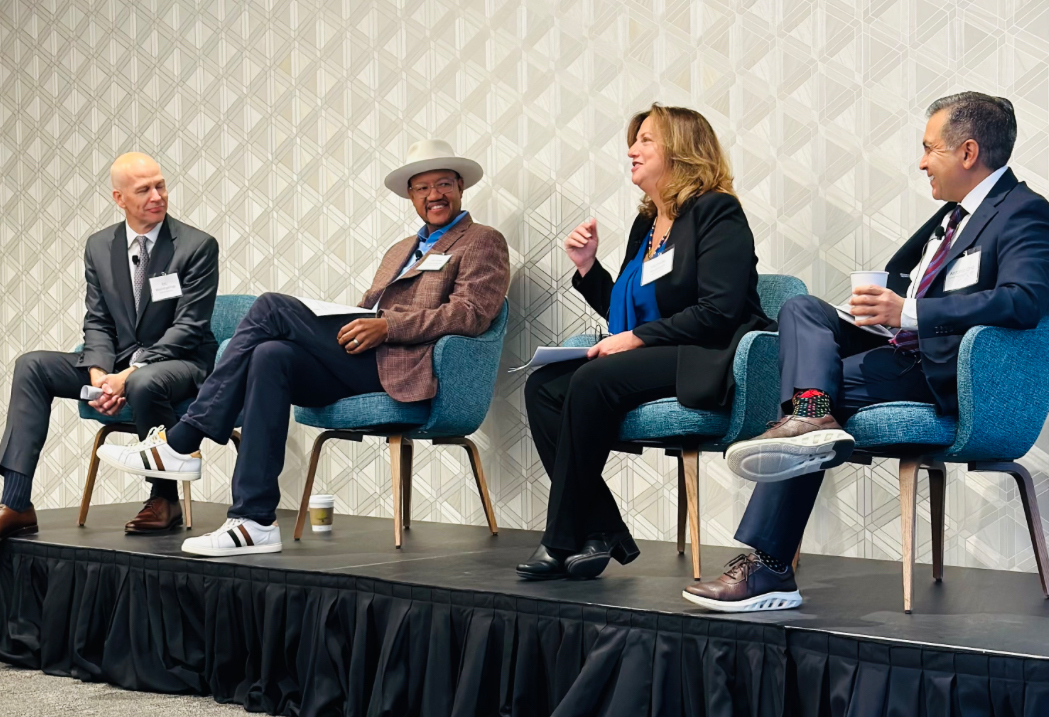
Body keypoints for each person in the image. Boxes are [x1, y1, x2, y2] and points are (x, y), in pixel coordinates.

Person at [684, 92, 1049, 612]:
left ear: (967, 152)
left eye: (929, 149)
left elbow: (1026, 300)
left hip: (946, 370)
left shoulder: (1024, 212)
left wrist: (910, 314)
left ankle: (770, 565)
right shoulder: (951, 218)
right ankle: (810, 416)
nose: (921, 162)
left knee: (807, 395)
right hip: (897, 350)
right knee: (802, 310)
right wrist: (877, 314)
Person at [97, 140, 511, 556]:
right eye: (423, 188)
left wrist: (388, 327)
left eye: (443, 184)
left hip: (406, 365)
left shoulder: (481, 241)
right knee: (269, 354)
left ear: (460, 187)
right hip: (364, 357)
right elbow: (368, 309)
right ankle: (253, 521)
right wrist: (359, 319)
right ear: (411, 196)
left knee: (271, 307)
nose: (434, 194)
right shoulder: (399, 250)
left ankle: (183, 441)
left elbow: (472, 313)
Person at [516, 104, 772, 581]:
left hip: (707, 354)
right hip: (656, 351)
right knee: (545, 387)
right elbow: (626, 308)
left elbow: (721, 311)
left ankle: (562, 537)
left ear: (681, 150)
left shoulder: (717, 211)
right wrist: (589, 268)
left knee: (592, 380)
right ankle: (600, 531)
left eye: (646, 140)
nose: (632, 150)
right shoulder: (647, 224)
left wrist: (637, 338)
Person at [0, 153, 221, 539]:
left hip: (182, 362)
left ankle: (163, 498)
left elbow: (189, 327)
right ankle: (17, 503)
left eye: (161, 185)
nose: (157, 196)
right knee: (31, 365)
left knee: (144, 382)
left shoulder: (197, 246)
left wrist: (128, 374)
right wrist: (101, 373)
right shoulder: (100, 246)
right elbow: (98, 320)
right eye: (144, 189)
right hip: (117, 362)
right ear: (119, 198)